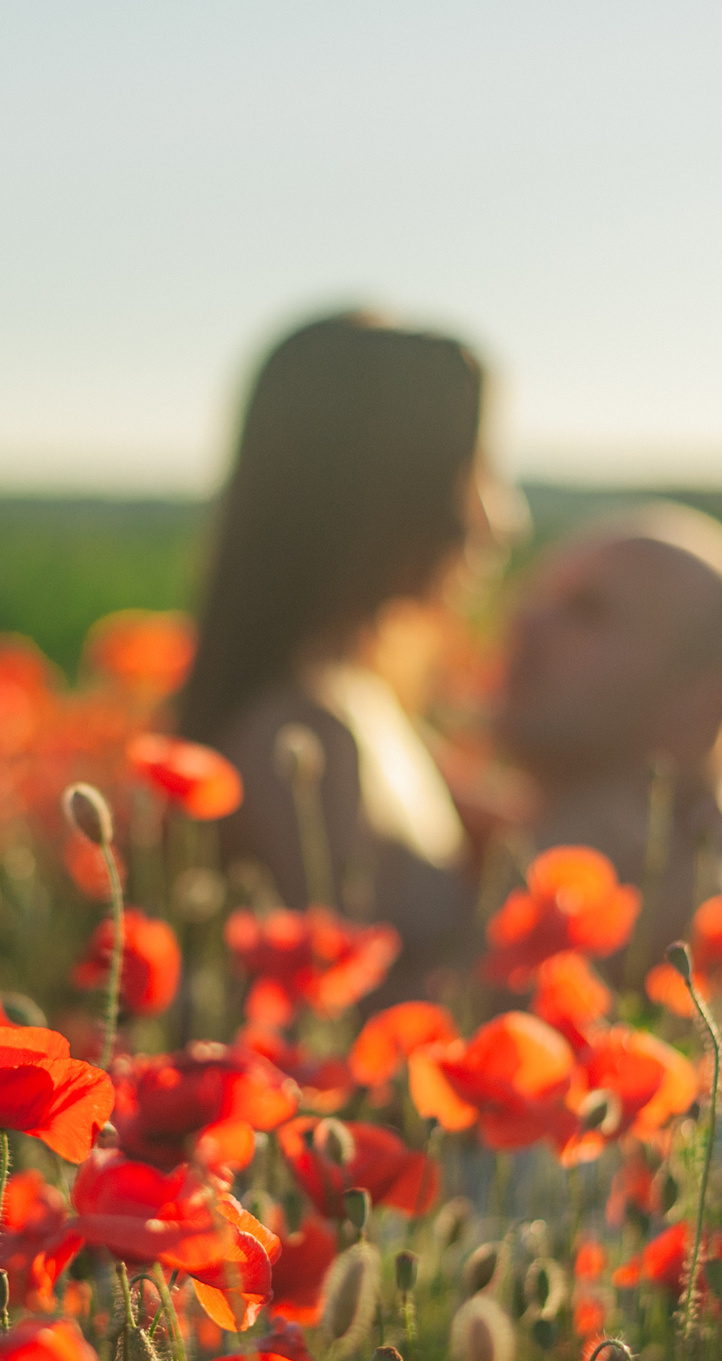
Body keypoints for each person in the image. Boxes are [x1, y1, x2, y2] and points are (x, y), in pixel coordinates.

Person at [177, 310, 519, 1000]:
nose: (498, 517)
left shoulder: (357, 700)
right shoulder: (302, 738)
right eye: (474, 471)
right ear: (386, 494)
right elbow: (341, 1013)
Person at [494, 503, 722, 968]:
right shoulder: (491, 831)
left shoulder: (694, 941)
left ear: (698, 696)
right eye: (543, 597)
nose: (526, 622)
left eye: (587, 610)